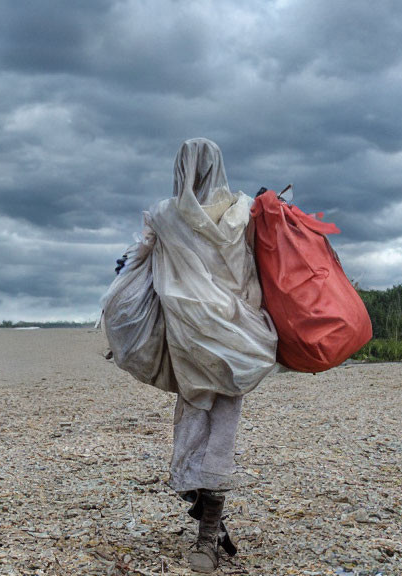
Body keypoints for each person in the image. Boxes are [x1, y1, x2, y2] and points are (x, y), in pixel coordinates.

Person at [107, 139, 277, 572]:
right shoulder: (243, 210)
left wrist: (120, 315)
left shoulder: (164, 215)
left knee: (194, 422)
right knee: (222, 430)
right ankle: (209, 528)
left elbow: (135, 263)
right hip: (239, 338)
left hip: (190, 341)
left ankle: (206, 529)